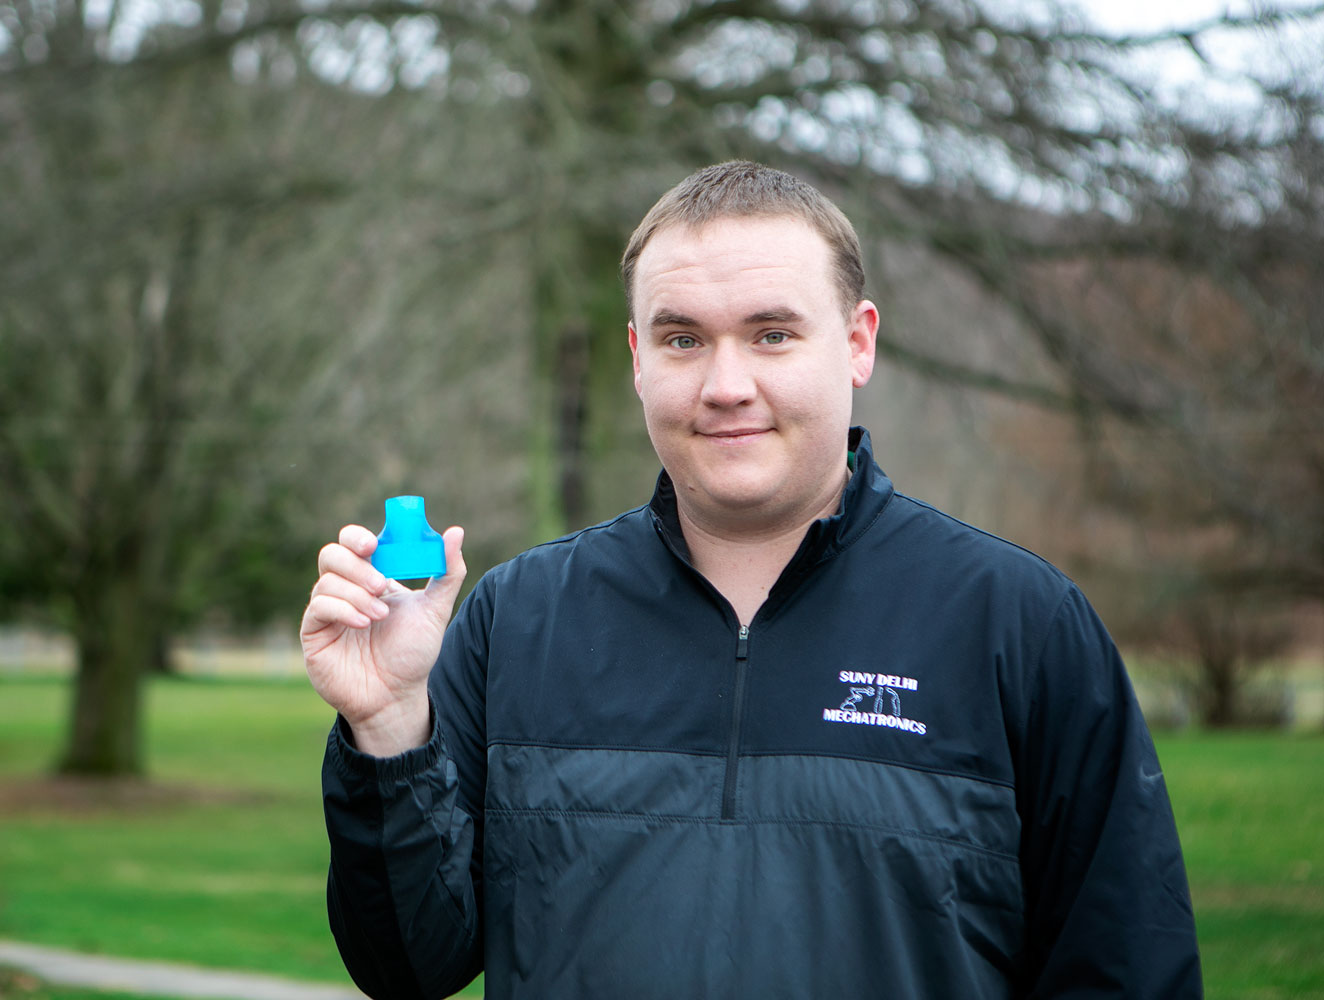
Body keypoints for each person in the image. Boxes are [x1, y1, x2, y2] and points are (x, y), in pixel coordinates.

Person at [301, 161, 1201, 999]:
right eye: (683, 338)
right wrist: (386, 729)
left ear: (857, 343)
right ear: (638, 358)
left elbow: (1125, 965)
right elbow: (409, 964)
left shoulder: (1018, 624)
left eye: (772, 334)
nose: (726, 384)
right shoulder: (517, 620)